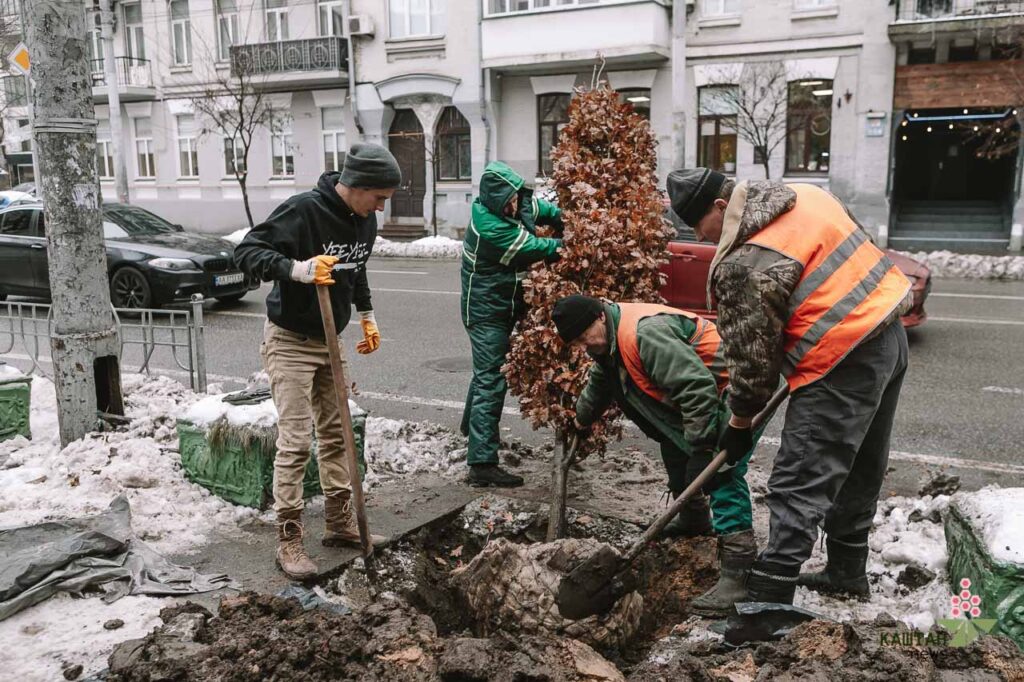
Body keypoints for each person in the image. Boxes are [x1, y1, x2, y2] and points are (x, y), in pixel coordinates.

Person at [666, 168, 911, 633]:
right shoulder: (805, 195)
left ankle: (767, 603)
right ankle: (846, 569)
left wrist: (737, 425)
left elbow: (753, 367)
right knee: (860, 464)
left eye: (701, 229)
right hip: (888, 335)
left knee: (800, 476)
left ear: (722, 208)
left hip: (840, 359)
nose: (704, 240)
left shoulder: (746, 261)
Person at [552, 294, 777, 616]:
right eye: (575, 342)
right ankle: (694, 519)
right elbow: (602, 383)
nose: (582, 346)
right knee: (674, 449)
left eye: (582, 336)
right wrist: (581, 419)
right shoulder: (609, 342)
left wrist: (701, 448)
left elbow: (696, 388)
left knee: (721, 474)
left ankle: (737, 572)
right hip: (704, 398)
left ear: (599, 317)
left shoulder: (644, 335)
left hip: (737, 392)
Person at [235, 143, 400, 580]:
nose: (381, 207)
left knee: (336, 433)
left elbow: (356, 268)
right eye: (379, 197)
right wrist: (297, 269)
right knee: (296, 440)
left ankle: (340, 522)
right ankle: (288, 539)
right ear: (357, 185)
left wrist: (366, 315)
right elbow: (247, 251)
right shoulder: (305, 210)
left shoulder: (364, 220)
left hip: (332, 340)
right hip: (290, 339)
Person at [460, 161, 563, 487]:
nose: (516, 205)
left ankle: (473, 431)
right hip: (486, 312)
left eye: (517, 198)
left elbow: (539, 208)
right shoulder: (490, 228)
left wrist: (566, 219)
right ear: (497, 200)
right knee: (492, 380)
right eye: (510, 201)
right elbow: (535, 248)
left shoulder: (511, 204)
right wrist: (567, 245)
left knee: (484, 377)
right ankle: (481, 464)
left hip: (503, 306)